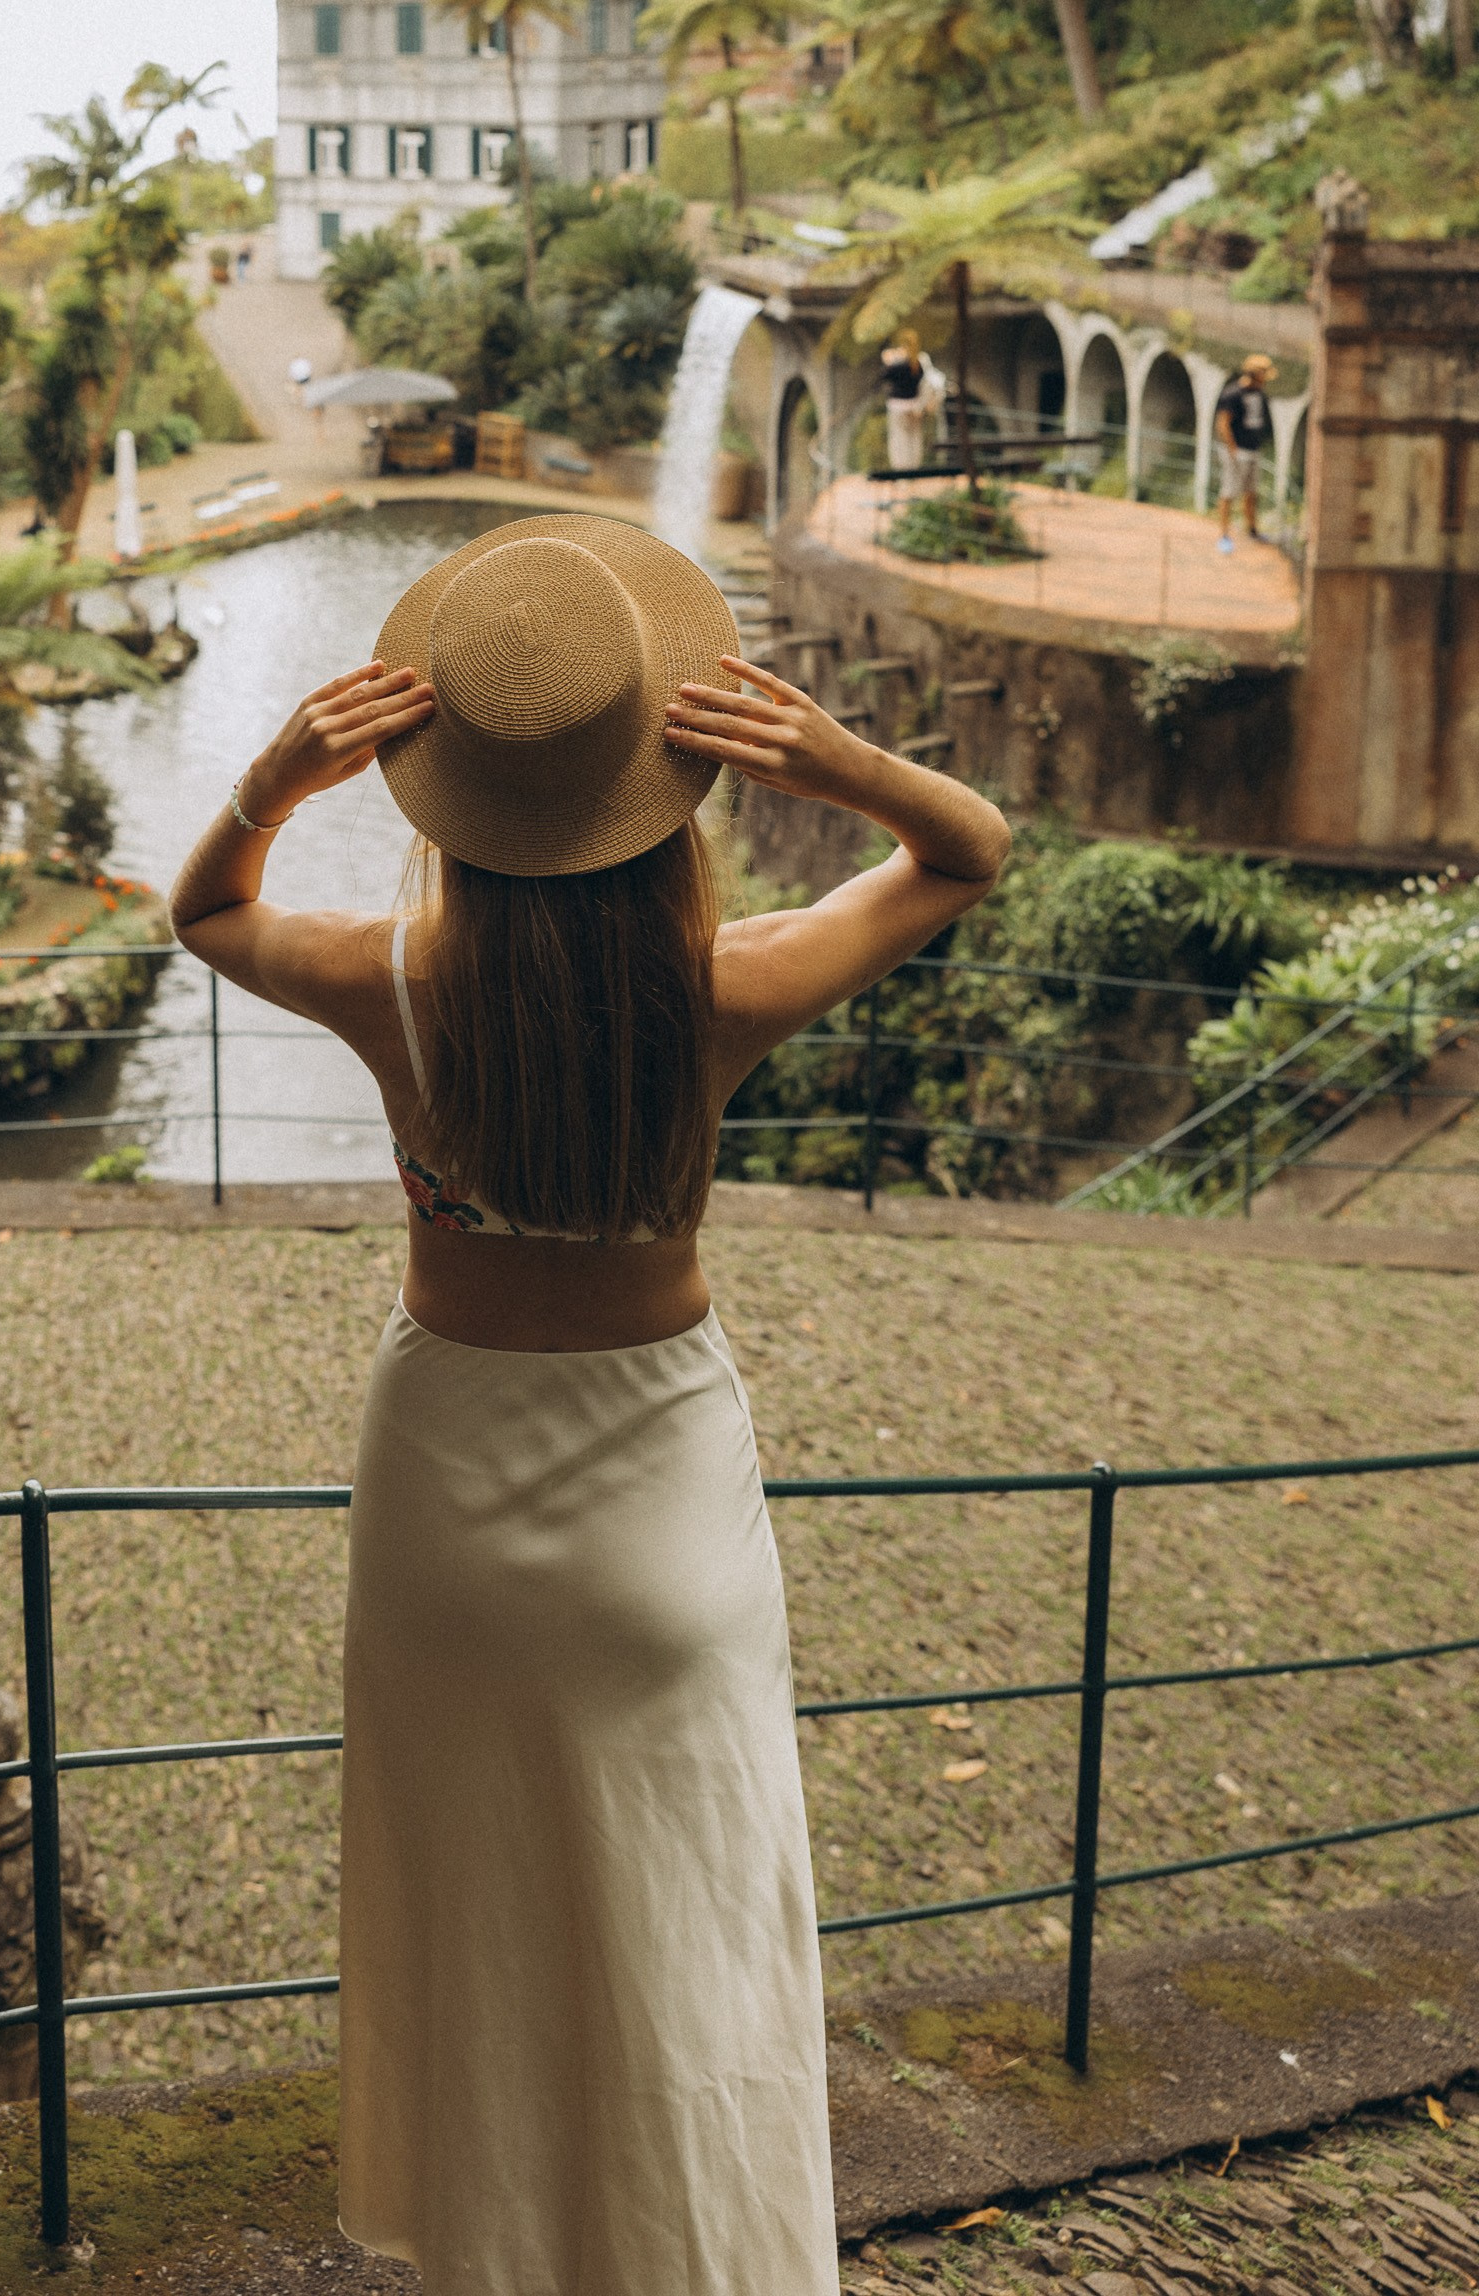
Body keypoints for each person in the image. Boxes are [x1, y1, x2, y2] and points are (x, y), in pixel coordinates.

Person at [170, 515, 1010, 2296]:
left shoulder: (395, 984)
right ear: (664, 791)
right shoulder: (724, 989)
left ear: (444, 794)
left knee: (480, 1920)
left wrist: (277, 773)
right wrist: (835, 755)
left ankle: (504, 2251)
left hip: (442, 1508)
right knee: (685, 1924)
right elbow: (967, 854)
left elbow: (207, 911)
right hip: (660, 1505)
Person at [1215, 351, 1275, 551]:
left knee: (1251, 492)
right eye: (1263, 376)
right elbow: (1223, 424)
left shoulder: (1259, 394)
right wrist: (1233, 450)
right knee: (1229, 491)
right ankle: (1224, 534)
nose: (1265, 381)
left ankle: (1252, 529)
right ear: (1254, 375)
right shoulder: (1232, 394)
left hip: (1253, 449)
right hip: (1237, 451)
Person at [880, 327, 945, 476]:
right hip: (915, 407)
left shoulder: (898, 365)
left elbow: (885, 376)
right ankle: (913, 470)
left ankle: (901, 472)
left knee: (899, 440)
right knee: (914, 439)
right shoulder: (920, 363)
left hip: (898, 408)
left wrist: (890, 360)